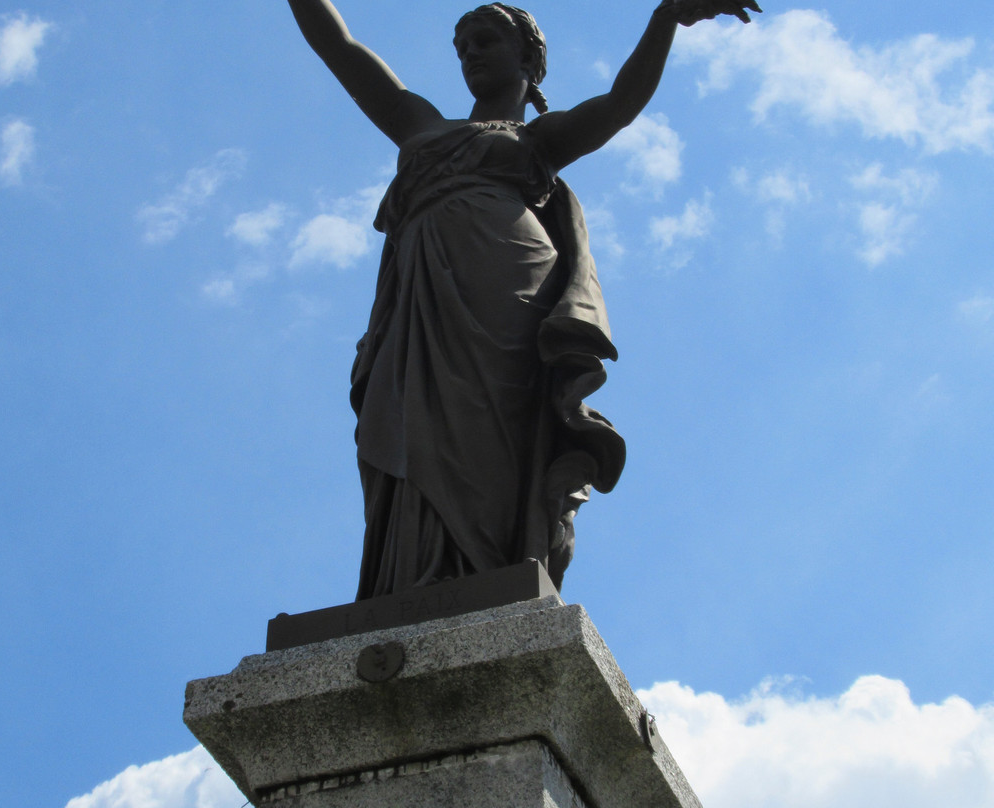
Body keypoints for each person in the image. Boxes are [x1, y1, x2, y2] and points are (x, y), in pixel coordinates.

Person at [286, 0, 762, 599]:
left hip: (508, 286)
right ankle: (413, 581)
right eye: (461, 47)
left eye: (484, 40)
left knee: (494, 430)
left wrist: (665, 17)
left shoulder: (539, 137)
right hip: (420, 297)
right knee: (412, 426)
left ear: (529, 58)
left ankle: (493, 572)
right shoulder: (418, 124)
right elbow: (341, 49)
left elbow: (619, 105)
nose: (470, 54)